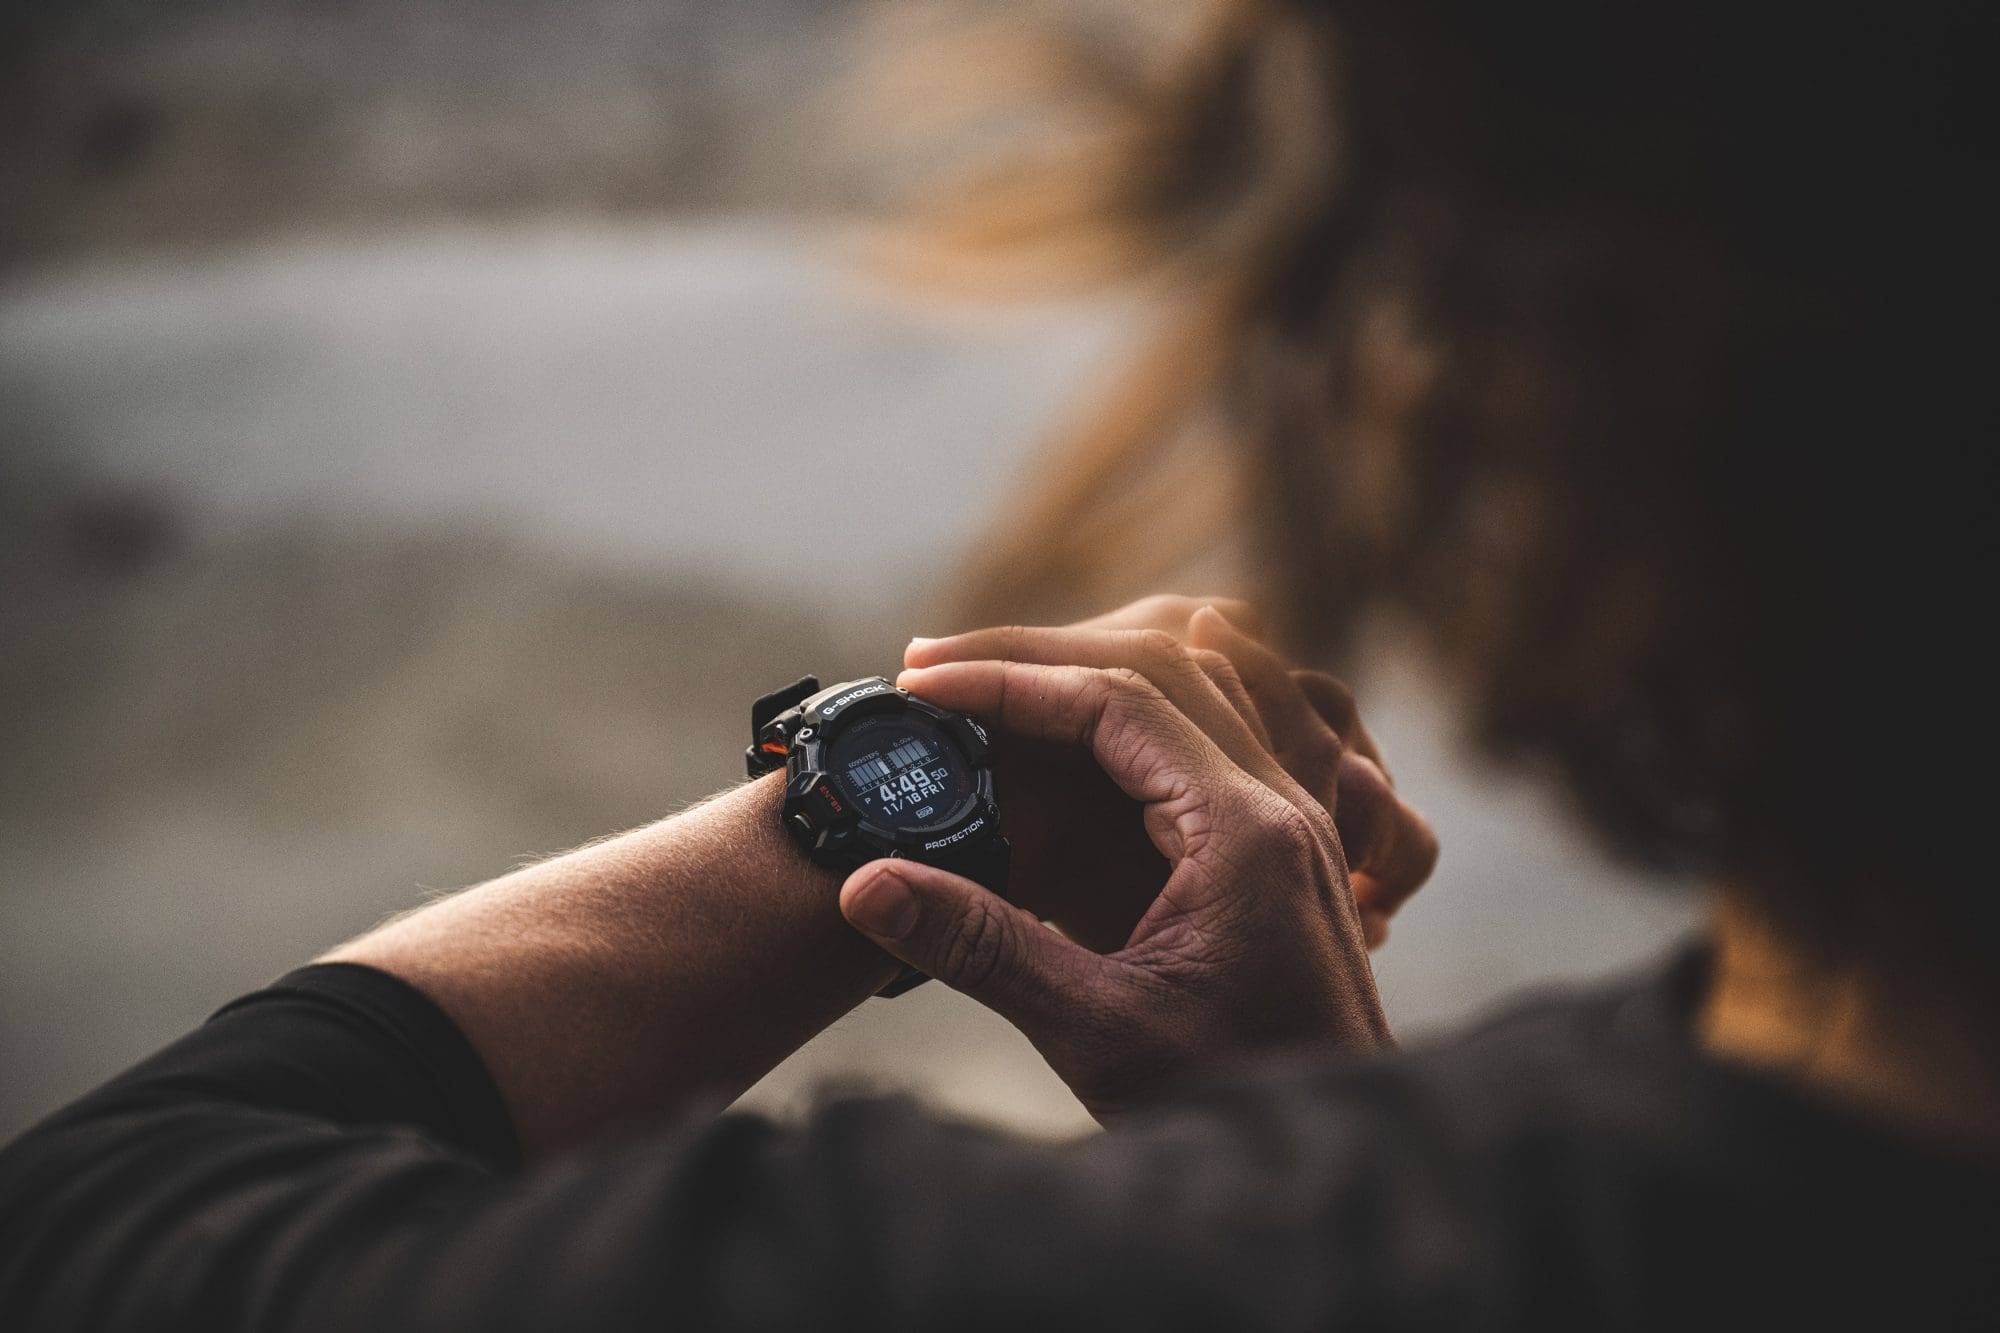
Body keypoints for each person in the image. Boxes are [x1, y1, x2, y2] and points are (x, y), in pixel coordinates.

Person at [2, 2, 1992, 1329]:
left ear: (1476, 385)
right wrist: (1333, 1141)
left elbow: (99, 1222)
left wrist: (910, 816)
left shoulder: (1106, 1276)